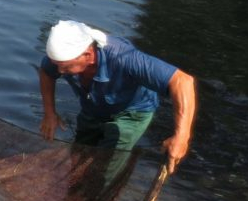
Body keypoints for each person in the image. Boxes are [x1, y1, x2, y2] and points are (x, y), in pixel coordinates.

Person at [38, 20, 196, 174]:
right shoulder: (61, 59)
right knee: (79, 156)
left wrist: (182, 136)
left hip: (132, 111)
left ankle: (102, 195)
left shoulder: (124, 58)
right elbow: (46, 72)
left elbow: (182, 81)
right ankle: (76, 194)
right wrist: (50, 113)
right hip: (94, 106)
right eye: (56, 65)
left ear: (87, 55)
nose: (59, 70)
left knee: (107, 164)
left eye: (64, 67)